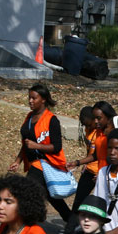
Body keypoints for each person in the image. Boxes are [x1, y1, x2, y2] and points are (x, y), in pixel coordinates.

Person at [7, 84, 71, 222]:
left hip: (46, 164)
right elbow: (26, 144)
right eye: (29, 97)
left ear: (43, 99)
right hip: (33, 163)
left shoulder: (51, 120)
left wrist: (37, 146)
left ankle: (24, 223)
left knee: (26, 191)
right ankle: (72, 221)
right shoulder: (29, 117)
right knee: (52, 197)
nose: (30, 101)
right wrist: (18, 161)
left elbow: (57, 147)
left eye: (34, 98)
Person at [61, 107, 98, 234]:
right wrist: (80, 163)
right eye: (83, 123)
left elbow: (101, 155)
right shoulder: (89, 130)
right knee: (78, 203)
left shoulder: (102, 132)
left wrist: (101, 172)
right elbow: (91, 154)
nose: (85, 126)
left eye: (87, 123)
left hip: (100, 173)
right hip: (89, 170)